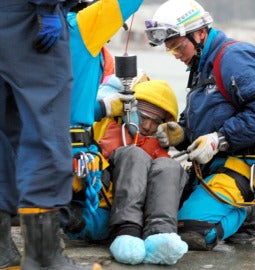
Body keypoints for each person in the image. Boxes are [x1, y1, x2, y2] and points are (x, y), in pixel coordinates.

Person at [145, 0, 255, 250]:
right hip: (212, 166)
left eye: (178, 47)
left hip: (245, 164)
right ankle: (233, 213)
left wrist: (220, 139)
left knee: (193, 232)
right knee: (158, 220)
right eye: (170, 50)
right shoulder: (201, 66)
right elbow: (199, 125)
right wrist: (181, 134)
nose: (176, 56)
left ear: (200, 33)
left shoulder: (235, 57)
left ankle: (251, 213)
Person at [0, 0, 102, 269]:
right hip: (30, 17)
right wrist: (47, 8)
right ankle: (43, 257)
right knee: (44, 127)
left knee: (4, 132)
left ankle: (1, 251)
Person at [65, 78, 188, 266]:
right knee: (134, 155)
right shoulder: (105, 126)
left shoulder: (158, 146)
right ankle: (126, 232)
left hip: (144, 211)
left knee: (169, 166)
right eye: (144, 117)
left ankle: (161, 235)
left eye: (155, 122)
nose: (147, 126)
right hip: (107, 203)